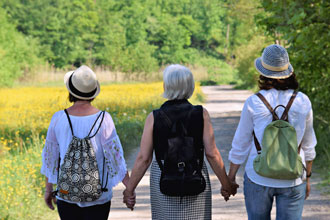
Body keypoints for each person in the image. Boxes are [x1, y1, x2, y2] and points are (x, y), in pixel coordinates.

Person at [123, 64, 237, 219]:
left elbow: (144, 158)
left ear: (166, 86)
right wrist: (226, 184)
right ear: (190, 86)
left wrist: (129, 190)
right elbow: (212, 153)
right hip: (195, 174)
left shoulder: (154, 117)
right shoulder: (201, 114)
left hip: (163, 176)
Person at [225, 44, 317, 220]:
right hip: (293, 177)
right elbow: (309, 144)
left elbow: (241, 143)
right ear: (288, 71)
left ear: (263, 72)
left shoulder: (254, 102)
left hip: (258, 175)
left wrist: (230, 178)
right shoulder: (303, 101)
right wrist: (308, 177)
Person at [41, 65, 131, 220]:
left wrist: (48, 189)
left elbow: (51, 159)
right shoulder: (104, 119)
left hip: (66, 194)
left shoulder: (58, 118)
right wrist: (130, 189)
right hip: (99, 196)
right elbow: (115, 159)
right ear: (93, 93)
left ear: (71, 91)